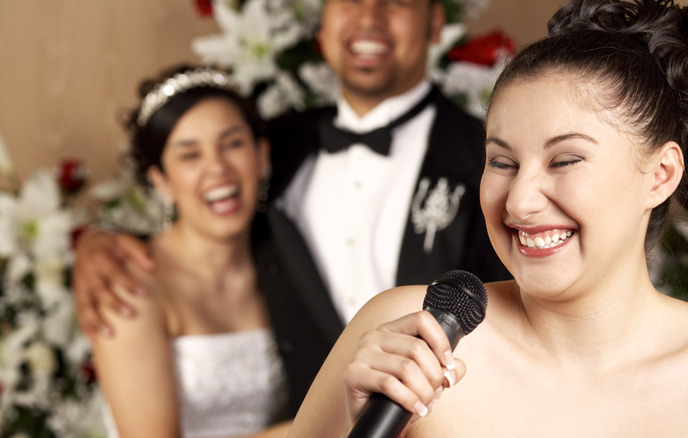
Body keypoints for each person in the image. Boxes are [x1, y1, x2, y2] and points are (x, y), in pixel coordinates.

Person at [287, 0, 688, 436]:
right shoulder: (410, 336)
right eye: (502, 163)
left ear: (661, 174)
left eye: (565, 160)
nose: (518, 202)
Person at [73, 0, 510, 414]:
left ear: (435, 22)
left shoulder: (490, 159)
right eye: (347, 1)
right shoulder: (272, 147)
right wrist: (97, 246)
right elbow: (196, 204)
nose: (368, 17)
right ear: (323, 25)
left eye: (395, 1)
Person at [91, 64, 290, 438]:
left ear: (261, 155)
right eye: (189, 155)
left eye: (232, 144)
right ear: (160, 180)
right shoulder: (128, 285)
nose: (217, 168)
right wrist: (315, 428)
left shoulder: (284, 264)